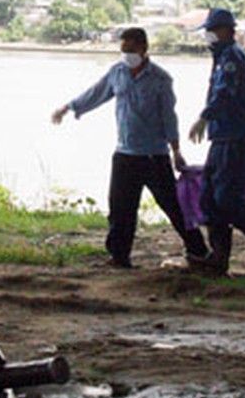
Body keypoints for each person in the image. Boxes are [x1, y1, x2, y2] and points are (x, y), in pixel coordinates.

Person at [52, 27, 209, 268]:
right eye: (123, 50)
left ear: (144, 48)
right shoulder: (117, 72)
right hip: (125, 154)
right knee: (120, 209)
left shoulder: (161, 79)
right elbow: (96, 93)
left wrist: (176, 150)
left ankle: (199, 252)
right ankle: (119, 257)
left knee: (173, 206)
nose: (126, 54)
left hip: (154, 156)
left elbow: (169, 117)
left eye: (131, 49)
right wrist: (68, 108)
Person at [188, 8, 245, 275]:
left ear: (227, 30)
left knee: (227, 198)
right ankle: (218, 259)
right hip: (222, 137)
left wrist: (204, 117)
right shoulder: (221, 56)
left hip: (237, 137)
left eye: (212, 30)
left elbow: (225, 92)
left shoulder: (232, 58)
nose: (208, 35)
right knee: (208, 199)